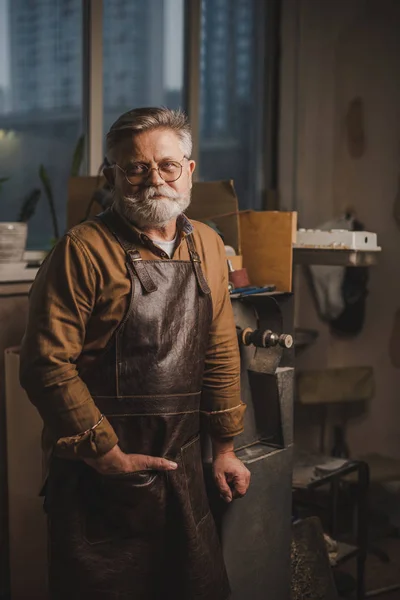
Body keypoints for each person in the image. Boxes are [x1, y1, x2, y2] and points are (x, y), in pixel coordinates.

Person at [20, 107, 250, 600]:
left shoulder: (208, 245)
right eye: (136, 168)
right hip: (100, 480)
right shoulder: (81, 250)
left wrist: (225, 447)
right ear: (113, 175)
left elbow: (219, 350)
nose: (154, 180)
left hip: (184, 471)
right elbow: (45, 364)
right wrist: (104, 453)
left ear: (189, 170)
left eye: (167, 165)